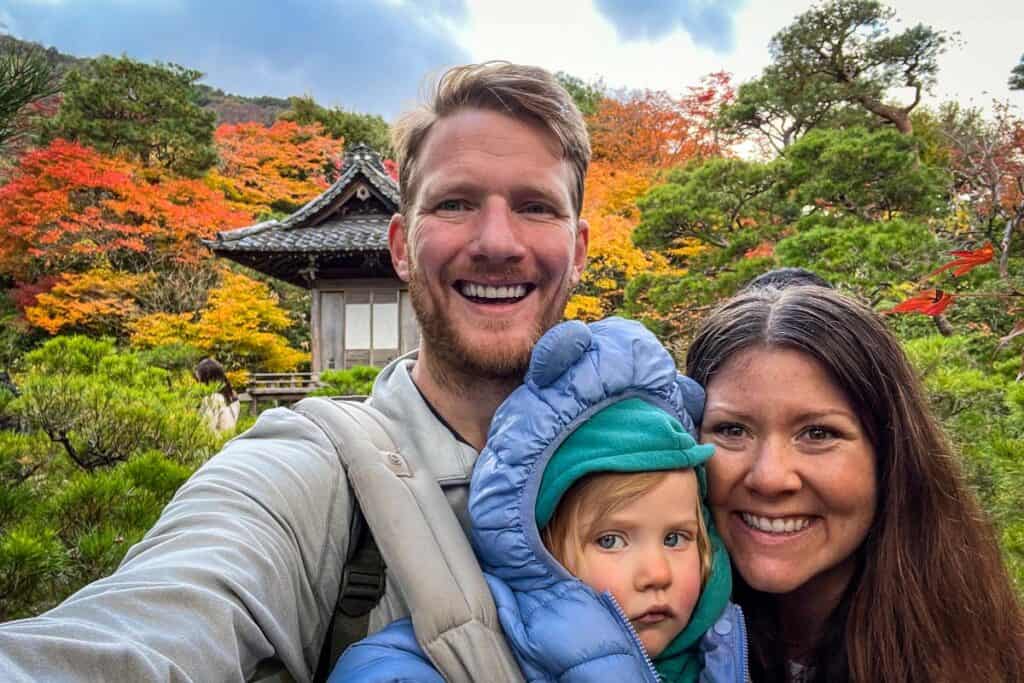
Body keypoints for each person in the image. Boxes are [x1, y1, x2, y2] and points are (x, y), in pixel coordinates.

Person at [0, 62, 591, 682]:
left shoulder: (660, 456)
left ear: (577, 251)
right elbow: (152, 623)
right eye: (454, 203)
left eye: (534, 206)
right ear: (400, 247)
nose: (497, 241)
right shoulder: (311, 469)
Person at [330, 318, 745, 682]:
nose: (656, 574)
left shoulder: (721, 645)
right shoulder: (493, 640)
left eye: (676, 538)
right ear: (539, 546)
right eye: (611, 540)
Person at [686, 285, 1024, 682]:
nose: (771, 477)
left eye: (817, 433)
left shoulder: (986, 659)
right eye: (732, 430)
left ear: (890, 454)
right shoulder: (632, 648)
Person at [194, 357, 240, 433]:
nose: (198, 383)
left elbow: (206, 430)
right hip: (228, 442)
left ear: (206, 380)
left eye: (199, 380)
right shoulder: (232, 398)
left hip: (214, 443)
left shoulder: (213, 399)